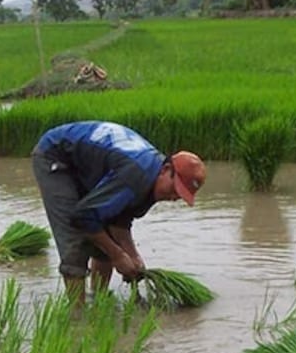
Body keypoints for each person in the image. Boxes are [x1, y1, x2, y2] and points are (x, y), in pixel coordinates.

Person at [32, 120, 207, 301]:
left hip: (88, 164)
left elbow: (119, 220)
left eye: (180, 195)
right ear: (166, 170)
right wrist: (118, 255)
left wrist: (132, 255)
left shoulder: (152, 181)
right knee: (75, 240)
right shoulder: (136, 175)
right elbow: (84, 217)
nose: (174, 197)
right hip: (56, 155)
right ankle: (78, 317)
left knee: (106, 237)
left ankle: (98, 300)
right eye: (175, 189)